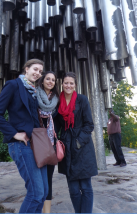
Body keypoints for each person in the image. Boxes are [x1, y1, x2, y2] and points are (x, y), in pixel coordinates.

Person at [0, 59, 49, 213]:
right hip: (21, 145)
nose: (38, 73)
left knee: (43, 193)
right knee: (36, 193)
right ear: (26, 69)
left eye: (40, 72)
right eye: (35, 69)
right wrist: (14, 134)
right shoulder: (13, 85)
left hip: (36, 145)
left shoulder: (34, 91)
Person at [55, 72, 98, 214]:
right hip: (66, 145)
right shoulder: (58, 101)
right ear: (62, 84)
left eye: (71, 83)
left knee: (85, 187)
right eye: (66, 83)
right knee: (73, 189)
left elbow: (89, 124)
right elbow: (56, 126)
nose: (68, 85)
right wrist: (54, 142)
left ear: (75, 85)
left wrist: (79, 142)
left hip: (82, 146)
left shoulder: (82, 100)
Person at [36, 71, 59, 214]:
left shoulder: (57, 100)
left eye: (53, 80)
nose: (50, 81)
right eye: (48, 79)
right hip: (36, 143)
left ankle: (47, 212)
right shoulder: (33, 96)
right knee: (37, 180)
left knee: (48, 179)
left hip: (51, 144)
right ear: (42, 80)